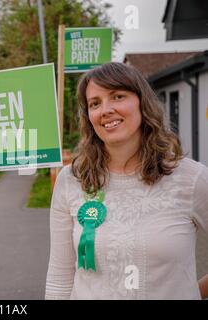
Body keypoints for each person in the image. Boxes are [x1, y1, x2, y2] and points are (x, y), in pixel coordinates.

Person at [45, 62, 208, 299]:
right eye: (95, 103)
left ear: (142, 102)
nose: (106, 110)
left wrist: (192, 292)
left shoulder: (190, 178)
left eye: (118, 96)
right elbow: (60, 276)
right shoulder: (71, 180)